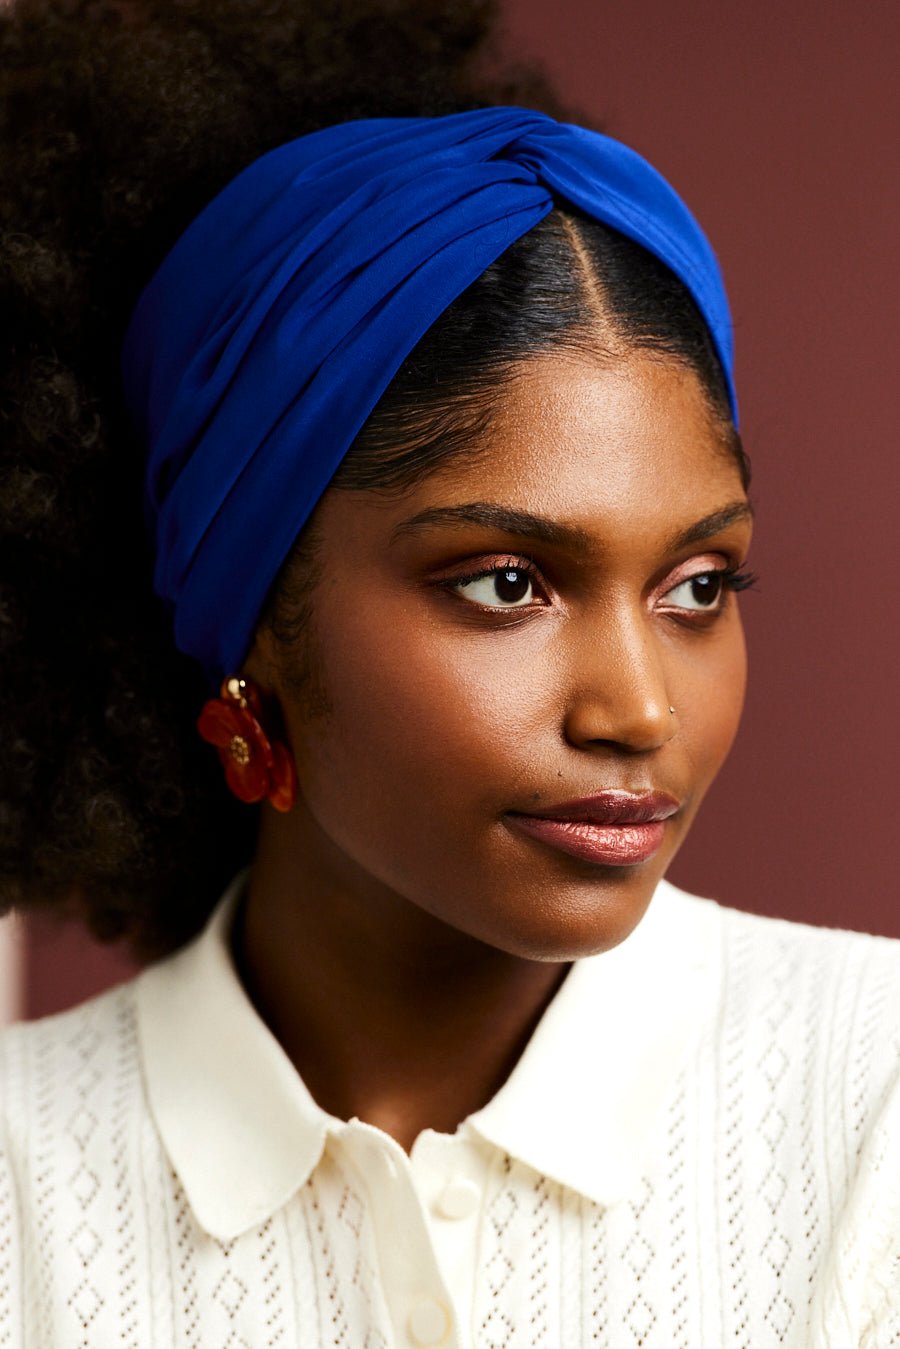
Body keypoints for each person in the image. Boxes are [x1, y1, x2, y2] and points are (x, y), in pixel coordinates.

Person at [1, 1, 897, 1345]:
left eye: (698, 586)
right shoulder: (22, 1186)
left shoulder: (875, 1100)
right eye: (509, 584)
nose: (641, 708)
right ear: (253, 605)